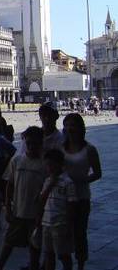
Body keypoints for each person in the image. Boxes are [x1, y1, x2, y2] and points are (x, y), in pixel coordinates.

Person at [0, 126, 46, 270]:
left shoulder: (44, 164)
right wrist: (8, 208)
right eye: (28, 143)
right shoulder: (17, 161)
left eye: (35, 144)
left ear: (41, 144)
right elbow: (9, 185)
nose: (31, 147)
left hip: (36, 214)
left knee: (35, 245)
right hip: (18, 210)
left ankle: (33, 267)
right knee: (8, 242)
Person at [62, 113, 102, 270]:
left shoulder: (90, 149)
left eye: (73, 125)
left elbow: (98, 173)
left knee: (79, 232)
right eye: (67, 125)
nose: (70, 128)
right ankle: (67, 264)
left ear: (80, 128)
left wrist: (82, 180)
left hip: (82, 197)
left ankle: (80, 264)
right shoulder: (61, 148)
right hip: (63, 196)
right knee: (63, 232)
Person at [38, 149, 77, 270]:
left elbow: (72, 204)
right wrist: (50, 185)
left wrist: (69, 224)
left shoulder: (68, 182)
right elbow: (42, 199)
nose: (49, 168)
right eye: (47, 165)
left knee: (63, 254)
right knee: (48, 253)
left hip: (60, 223)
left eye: (52, 165)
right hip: (46, 222)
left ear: (60, 164)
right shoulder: (47, 181)